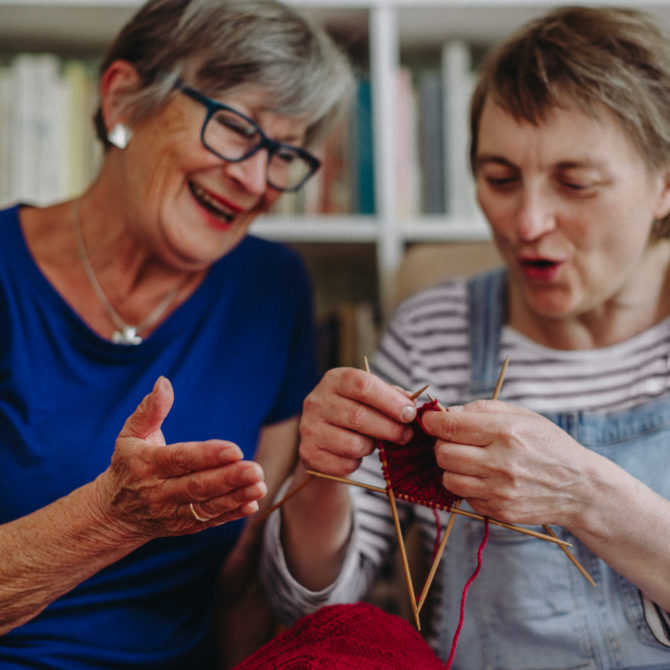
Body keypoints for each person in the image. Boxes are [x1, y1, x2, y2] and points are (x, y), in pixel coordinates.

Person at [262, 6, 670, 668]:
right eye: (500, 179)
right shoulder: (434, 333)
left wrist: (584, 494)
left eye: (575, 182)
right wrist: (324, 478)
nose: (528, 222)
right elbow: (306, 609)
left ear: (665, 183)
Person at [0, 1, 353, 668]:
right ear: (124, 102)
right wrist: (113, 518)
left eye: (284, 154)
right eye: (233, 128)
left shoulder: (271, 289)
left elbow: (240, 586)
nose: (255, 181)